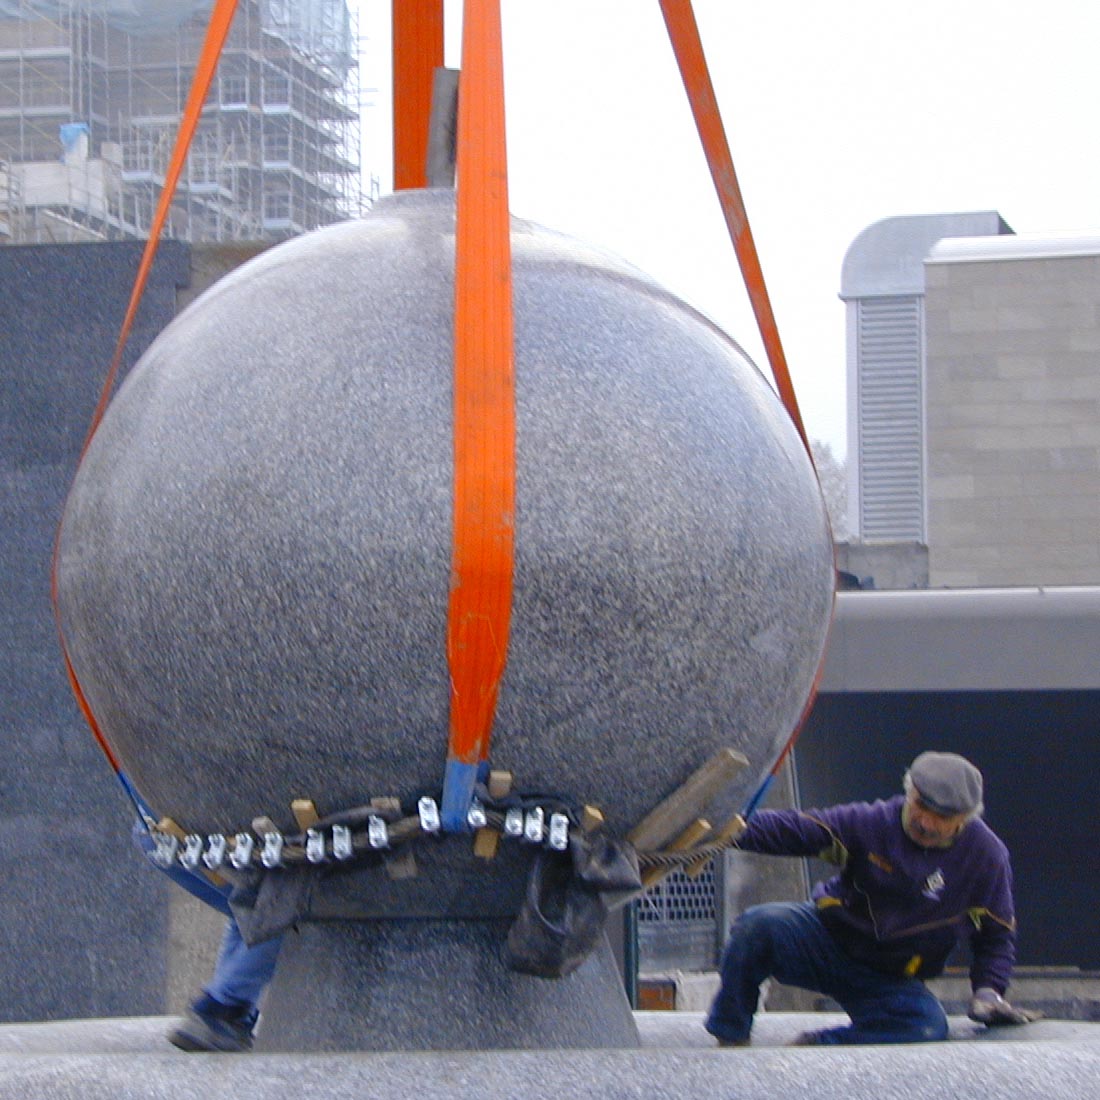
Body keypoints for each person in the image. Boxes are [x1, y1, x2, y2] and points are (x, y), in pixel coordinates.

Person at [705, 751, 1037, 1047]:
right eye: (920, 806)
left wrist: (988, 992)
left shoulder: (986, 858)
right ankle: (730, 1031)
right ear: (908, 793)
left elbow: (996, 936)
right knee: (758, 926)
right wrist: (720, 829)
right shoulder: (871, 822)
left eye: (942, 817)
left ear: (964, 819)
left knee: (925, 1026)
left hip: (889, 977)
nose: (925, 822)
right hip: (828, 940)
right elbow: (796, 829)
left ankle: (821, 1044)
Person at [133, 821, 283, 1052]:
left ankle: (226, 1011)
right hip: (199, 835)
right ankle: (223, 1010)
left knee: (251, 910)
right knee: (293, 911)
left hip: (156, 832)